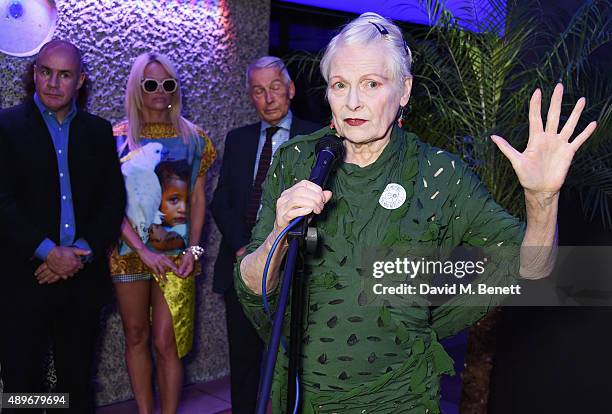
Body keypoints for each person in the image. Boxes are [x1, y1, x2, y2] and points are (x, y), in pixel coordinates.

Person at [234, 13, 597, 413]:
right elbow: (252, 285)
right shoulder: (296, 159)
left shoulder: (439, 174)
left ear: (404, 89)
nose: (353, 101)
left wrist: (542, 198)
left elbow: (534, 269)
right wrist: (277, 237)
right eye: (340, 85)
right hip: (303, 396)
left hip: (401, 398)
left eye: (372, 83)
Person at [0, 40, 126, 413]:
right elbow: (2, 202)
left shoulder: (99, 131)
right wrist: (49, 253)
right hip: (24, 279)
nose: (53, 83)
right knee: (23, 385)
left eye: (65, 74)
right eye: (45, 72)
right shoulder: (5, 126)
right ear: (34, 73)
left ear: (80, 80)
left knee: (76, 382)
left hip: (82, 281)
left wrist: (78, 254)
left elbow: (112, 202)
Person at [211, 56, 320, 413]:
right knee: (244, 365)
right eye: (259, 90)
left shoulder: (317, 137)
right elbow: (222, 202)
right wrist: (246, 249)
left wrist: (280, 252)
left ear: (290, 89)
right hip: (242, 267)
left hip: (296, 270)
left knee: (296, 367)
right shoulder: (238, 140)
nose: (269, 97)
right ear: (250, 97)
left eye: (275, 87)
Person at [110, 52, 216, 414]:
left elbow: (199, 200)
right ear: (137, 89)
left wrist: (196, 251)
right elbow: (110, 204)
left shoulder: (194, 138)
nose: (159, 90)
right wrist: (142, 250)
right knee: (136, 335)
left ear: (175, 89)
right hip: (129, 252)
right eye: (150, 84)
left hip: (177, 256)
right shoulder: (116, 139)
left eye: (167, 83)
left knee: (166, 342)